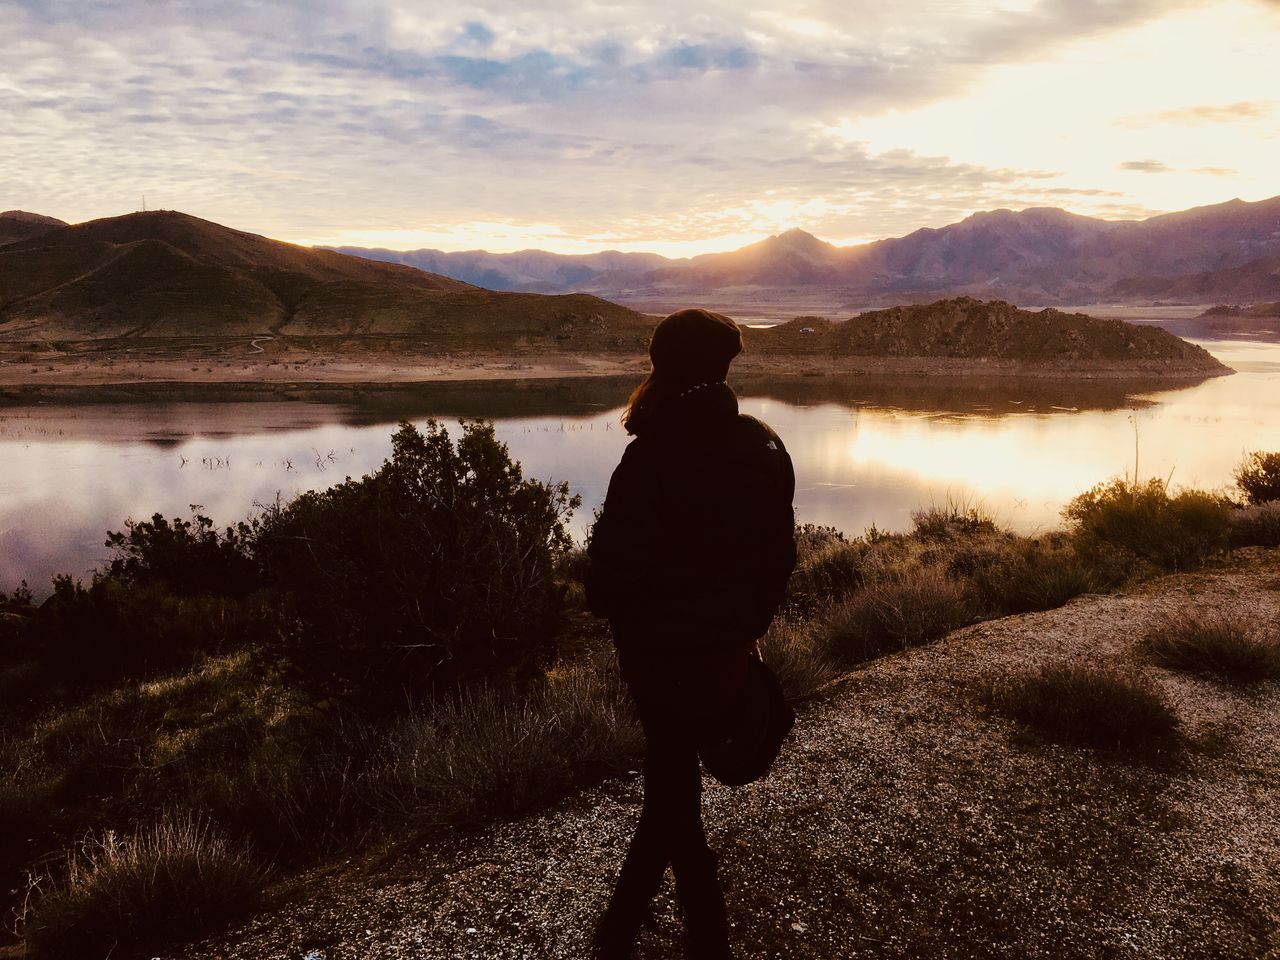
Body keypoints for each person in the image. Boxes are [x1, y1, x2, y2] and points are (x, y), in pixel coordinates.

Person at [586, 308, 797, 960]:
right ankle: (648, 930)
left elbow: (605, 581)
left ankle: (691, 930)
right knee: (671, 786)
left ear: (663, 368)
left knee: (670, 784)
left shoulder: (645, 458)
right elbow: (777, 560)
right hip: (725, 654)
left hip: (654, 660)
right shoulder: (762, 447)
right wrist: (747, 633)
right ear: (725, 367)